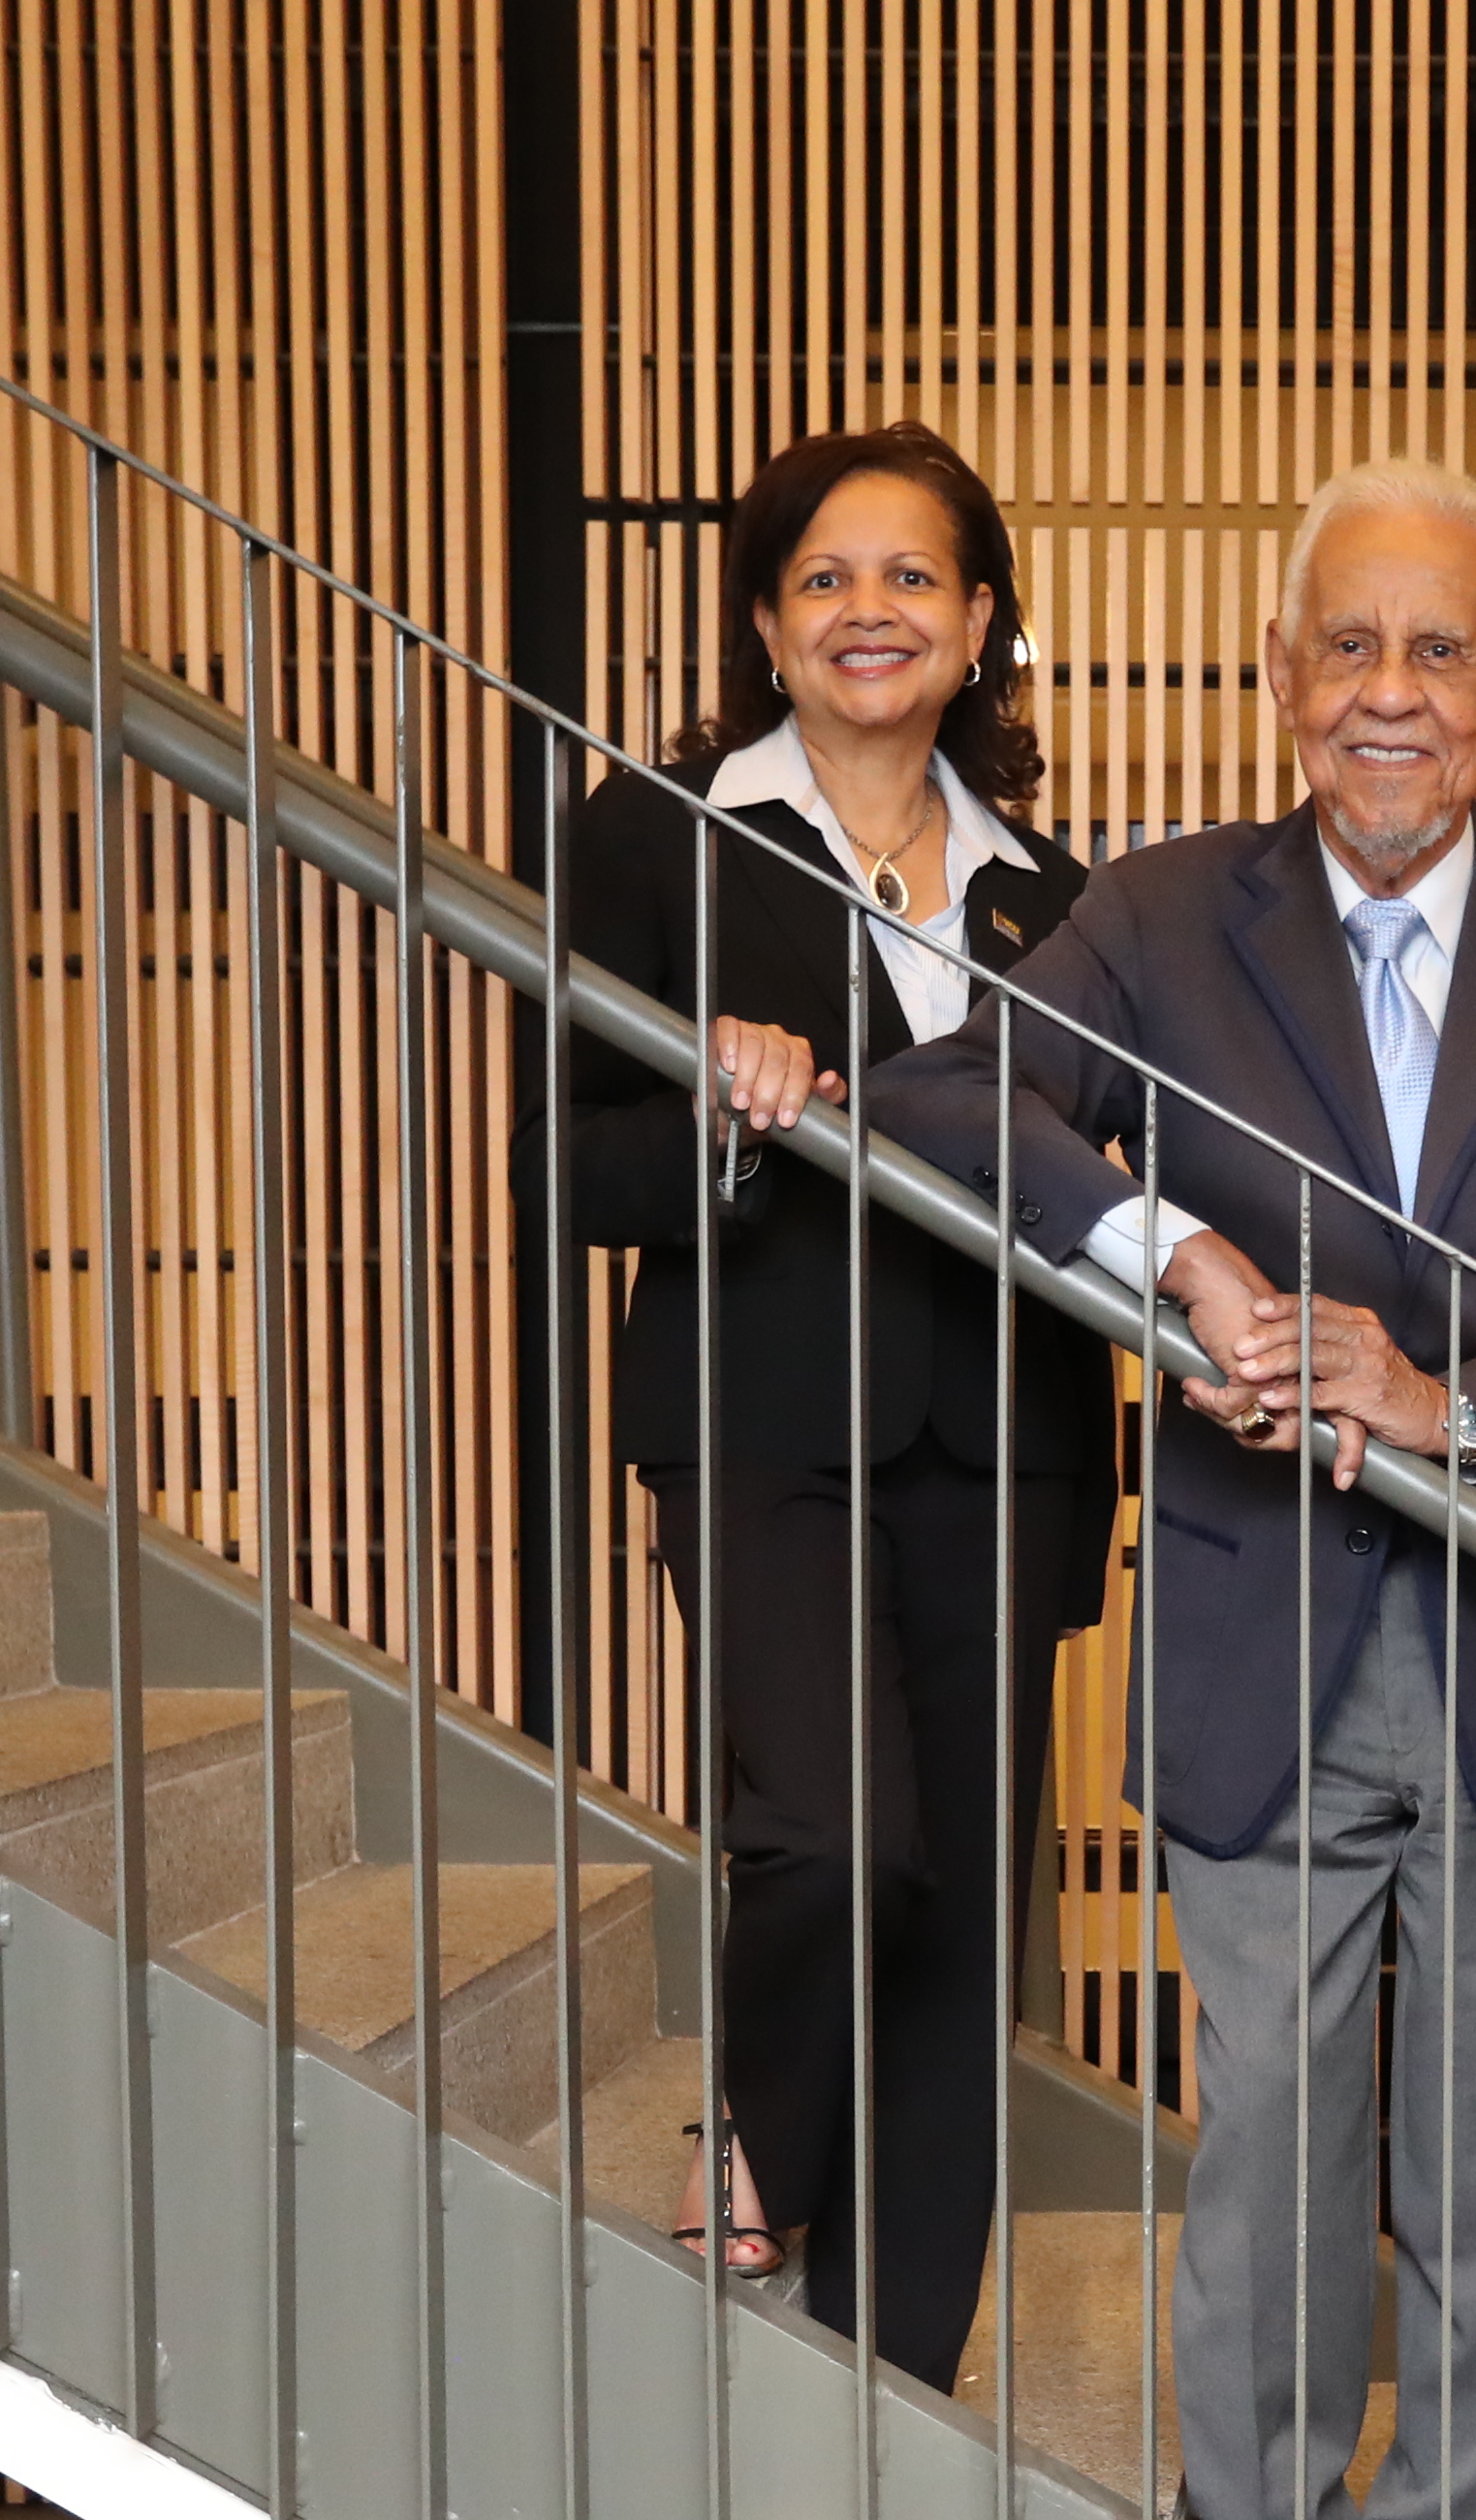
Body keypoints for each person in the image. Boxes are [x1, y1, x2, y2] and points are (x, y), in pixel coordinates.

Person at [883, 458, 1476, 2520]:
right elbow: (963, 1102)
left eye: (1437, 649)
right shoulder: (1162, 926)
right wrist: (1169, 1257)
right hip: (1261, 1633)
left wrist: (1447, 1396)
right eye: (1350, 647)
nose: (1393, 693)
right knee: (1271, 2126)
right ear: (1283, 679)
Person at [534, 422, 1103, 2386]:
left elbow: (1104, 1181)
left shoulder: (1056, 896)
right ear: (769, 627)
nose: (872, 612)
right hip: (764, 1408)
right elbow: (560, 1164)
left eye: (915, 578)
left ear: (981, 625)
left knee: (959, 1940)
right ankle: (761, 2141)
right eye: (827, 580)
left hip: (1004, 1440)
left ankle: (895, 2388)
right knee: (836, 1843)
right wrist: (709, 1103)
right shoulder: (655, 836)